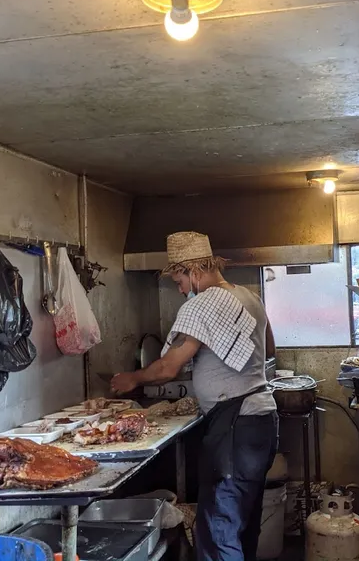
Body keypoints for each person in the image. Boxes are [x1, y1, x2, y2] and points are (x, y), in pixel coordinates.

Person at [111, 231, 278, 561]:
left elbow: (166, 370)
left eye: (179, 280)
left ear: (194, 270)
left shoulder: (201, 306)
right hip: (262, 420)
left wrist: (132, 378)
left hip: (234, 427)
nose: (181, 289)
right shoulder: (250, 297)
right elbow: (268, 348)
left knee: (219, 527)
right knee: (244, 520)